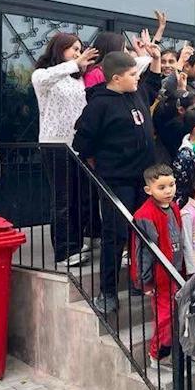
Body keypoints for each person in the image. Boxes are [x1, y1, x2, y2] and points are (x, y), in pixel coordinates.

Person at [72, 49, 162, 314]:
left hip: (143, 178)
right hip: (116, 179)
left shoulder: (137, 93)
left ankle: (138, 279)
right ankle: (107, 291)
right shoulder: (100, 104)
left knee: (142, 231)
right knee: (116, 234)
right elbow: (82, 142)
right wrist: (97, 163)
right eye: (133, 74)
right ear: (116, 78)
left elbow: (153, 86)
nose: (137, 78)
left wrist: (155, 59)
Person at [31, 34, 100, 265]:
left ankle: (77, 244)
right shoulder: (43, 75)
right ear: (59, 49)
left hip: (78, 146)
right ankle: (64, 251)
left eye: (79, 49)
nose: (77, 53)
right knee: (63, 199)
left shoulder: (78, 79)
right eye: (72, 48)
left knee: (81, 198)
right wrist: (73, 64)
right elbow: (46, 78)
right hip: (55, 145)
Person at [131, 164, 183, 367]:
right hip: (160, 277)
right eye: (162, 187)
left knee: (173, 315)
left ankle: (166, 351)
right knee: (165, 317)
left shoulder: (174, 208)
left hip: (175, 273)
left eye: (171, 185)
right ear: (148, 190)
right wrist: (146, 282)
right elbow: (142, 252)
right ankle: (157, 355)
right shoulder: (145, 215)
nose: (169, 191)